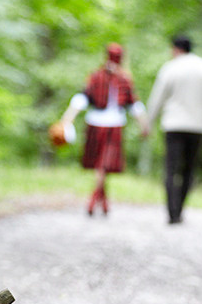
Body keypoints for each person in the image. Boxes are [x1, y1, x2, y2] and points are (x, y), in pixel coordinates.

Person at [141, 35, 202, 224]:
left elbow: (157, 99)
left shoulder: (170, 68)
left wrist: (148, 123)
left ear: (176, 49)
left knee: (171, 169)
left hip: (173, 125)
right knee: (189, 170)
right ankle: (180, 209)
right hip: (197, 127)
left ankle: (172, 212)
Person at [59, 43, 145, 216]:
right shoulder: (104, 77)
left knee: (103, 165)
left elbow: (132, 104)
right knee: (102, 165)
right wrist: (66, 120)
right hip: (101, 123)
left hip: (110, 124)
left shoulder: (110, 77)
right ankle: (98, 200)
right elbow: (83, 98)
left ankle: (96, 199)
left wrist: (143, 124)